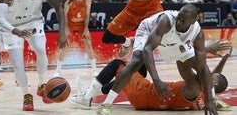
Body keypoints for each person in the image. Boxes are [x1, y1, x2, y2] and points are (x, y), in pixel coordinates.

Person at [88, 4, 221, 114]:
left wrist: (208, 100)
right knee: (136, 62)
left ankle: (213, 100)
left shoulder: (198, 33)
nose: (179, 22)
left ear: (194, 21)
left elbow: (203, 67)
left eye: (184, 21)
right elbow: (147, 50)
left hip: (174, 42)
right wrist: (156, 81)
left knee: (199, 66)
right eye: (179, 18)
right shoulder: (167, 21)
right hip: (148, 31)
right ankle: (106, 104)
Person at [70, 41, 232, 111]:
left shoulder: (195, 87)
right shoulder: (205, 96)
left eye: (213, 76)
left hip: (144, 93)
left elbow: (181, 59)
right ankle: (94, 92)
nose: (208, 73)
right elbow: (211, 77)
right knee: (140, 69)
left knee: (117, 65)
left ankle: (87, 98)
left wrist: (203, 48)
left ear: (214, 82)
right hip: (148, 98)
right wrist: (224, 59)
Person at [0, 0, 67, 111]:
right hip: (12, 27)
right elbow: (0, 19)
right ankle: (26, 95)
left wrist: (62, 31)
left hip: (34, 22)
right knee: (18, 65)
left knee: (41, 52)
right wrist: (16, 31)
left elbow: (58, 7)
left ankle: (42, 85)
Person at [54, 0, 98, 77]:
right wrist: (66, 29)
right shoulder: (69, 0)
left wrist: (86, 29)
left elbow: (87, 15)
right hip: (70, 24)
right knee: (65, 46)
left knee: (89, 44)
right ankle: (58, 71)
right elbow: (64, 15)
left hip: (81, 24)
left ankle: (94, 70)